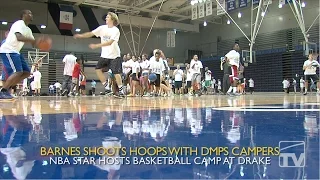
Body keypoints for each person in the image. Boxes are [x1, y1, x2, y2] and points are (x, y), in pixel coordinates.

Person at [74, 12, 124, 98]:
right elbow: (91, 33)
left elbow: (110, 42)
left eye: (108, 17)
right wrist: (81, 36)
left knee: (116, 73)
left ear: (112, 19)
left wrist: (97, 45)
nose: (106, 18)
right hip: (104, 55)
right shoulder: (102, 28)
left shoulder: (116, 30)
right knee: (97, 69)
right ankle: (107, 88)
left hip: (114, 55)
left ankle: (121, 90)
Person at [0, 10, 39, 100]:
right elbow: (19, 37)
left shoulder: (28, 29)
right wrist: (33, 41)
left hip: (16, 51)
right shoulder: (19, 23)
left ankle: (8, 87)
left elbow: (34, 43)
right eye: (29, 13)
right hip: (8, 50)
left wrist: (41, 42)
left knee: (26, 72)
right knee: (17, 72)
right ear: (23, 15)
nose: (31, 14)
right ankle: (3, 91)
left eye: (31, 13)